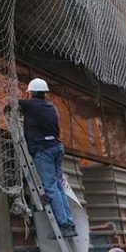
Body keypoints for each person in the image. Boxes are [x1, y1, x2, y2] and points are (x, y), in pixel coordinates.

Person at [8, 78, 76, 238]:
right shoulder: (51, 107)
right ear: (45, 93)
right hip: (57, 148)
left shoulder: (30, 105)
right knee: (58, 186)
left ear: (31, 92)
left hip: (43, 150)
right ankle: (70, 223)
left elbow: (11, 105)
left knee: (51, 187)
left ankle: (64, 225)